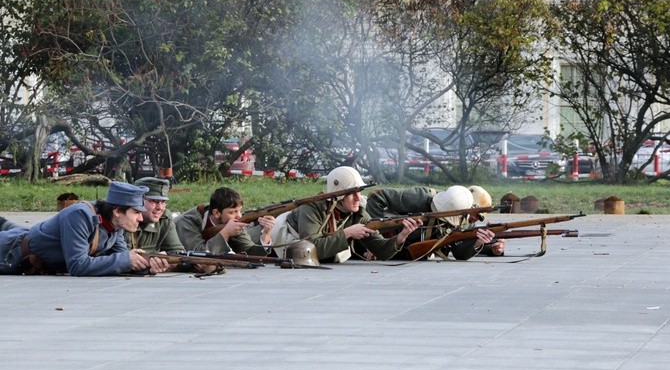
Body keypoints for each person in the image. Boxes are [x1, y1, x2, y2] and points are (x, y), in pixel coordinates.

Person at [0, 181, 169, 276]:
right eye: (136, 212)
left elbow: (117, 258)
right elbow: (78, 265)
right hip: (9, 252)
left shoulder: (115, 224)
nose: (141, 217)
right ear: (117, 211)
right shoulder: (80, 215)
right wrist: (126, 260)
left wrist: (147, 266)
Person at [271, 166, 421, 262]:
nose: (357, 198)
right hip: (277, 243)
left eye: (359, 192)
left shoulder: (359, 213)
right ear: (338, 196)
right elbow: (311, 248)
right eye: (351, 193)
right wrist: (347, 233)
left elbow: (381, 251)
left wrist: (401, 236)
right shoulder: (311, 208)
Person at [365, 184, 504, 260]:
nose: (473, 219)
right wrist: (379, 242)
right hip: (377, 243)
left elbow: (457, 251)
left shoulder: (462, 219)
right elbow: (377, 196)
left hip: (403, 253)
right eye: (475, 214)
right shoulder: (418, 198)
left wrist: (483, 244)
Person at [174, 186, 275, 256]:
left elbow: (251, 254)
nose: (239, 216)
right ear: (216, 213)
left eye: (240, 210)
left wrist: (266, 233)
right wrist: (225, 233)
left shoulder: (231, 222)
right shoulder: (189, 221)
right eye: (232, 212)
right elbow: (197, 254)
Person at [124, 177, 184, 254]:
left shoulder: (164, 218)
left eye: (163, 202)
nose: (160, 208)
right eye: (154, 201)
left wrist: (166, 260)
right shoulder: (124, 217)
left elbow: (177, 252)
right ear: (138, 200)